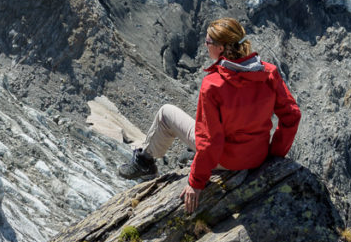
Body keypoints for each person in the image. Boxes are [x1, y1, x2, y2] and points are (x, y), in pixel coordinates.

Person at [119, 17, 301, 214]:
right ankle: (192, 156)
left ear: (221, 48)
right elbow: (292, 115)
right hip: (258, 156)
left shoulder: (213, 85)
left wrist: (196, 182)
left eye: (208, 42)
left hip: (226, 160)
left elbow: (210, 140)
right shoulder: (269, 73)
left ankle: (145, 162)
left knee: (166, 113)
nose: (206, 46)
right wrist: (274, 155)